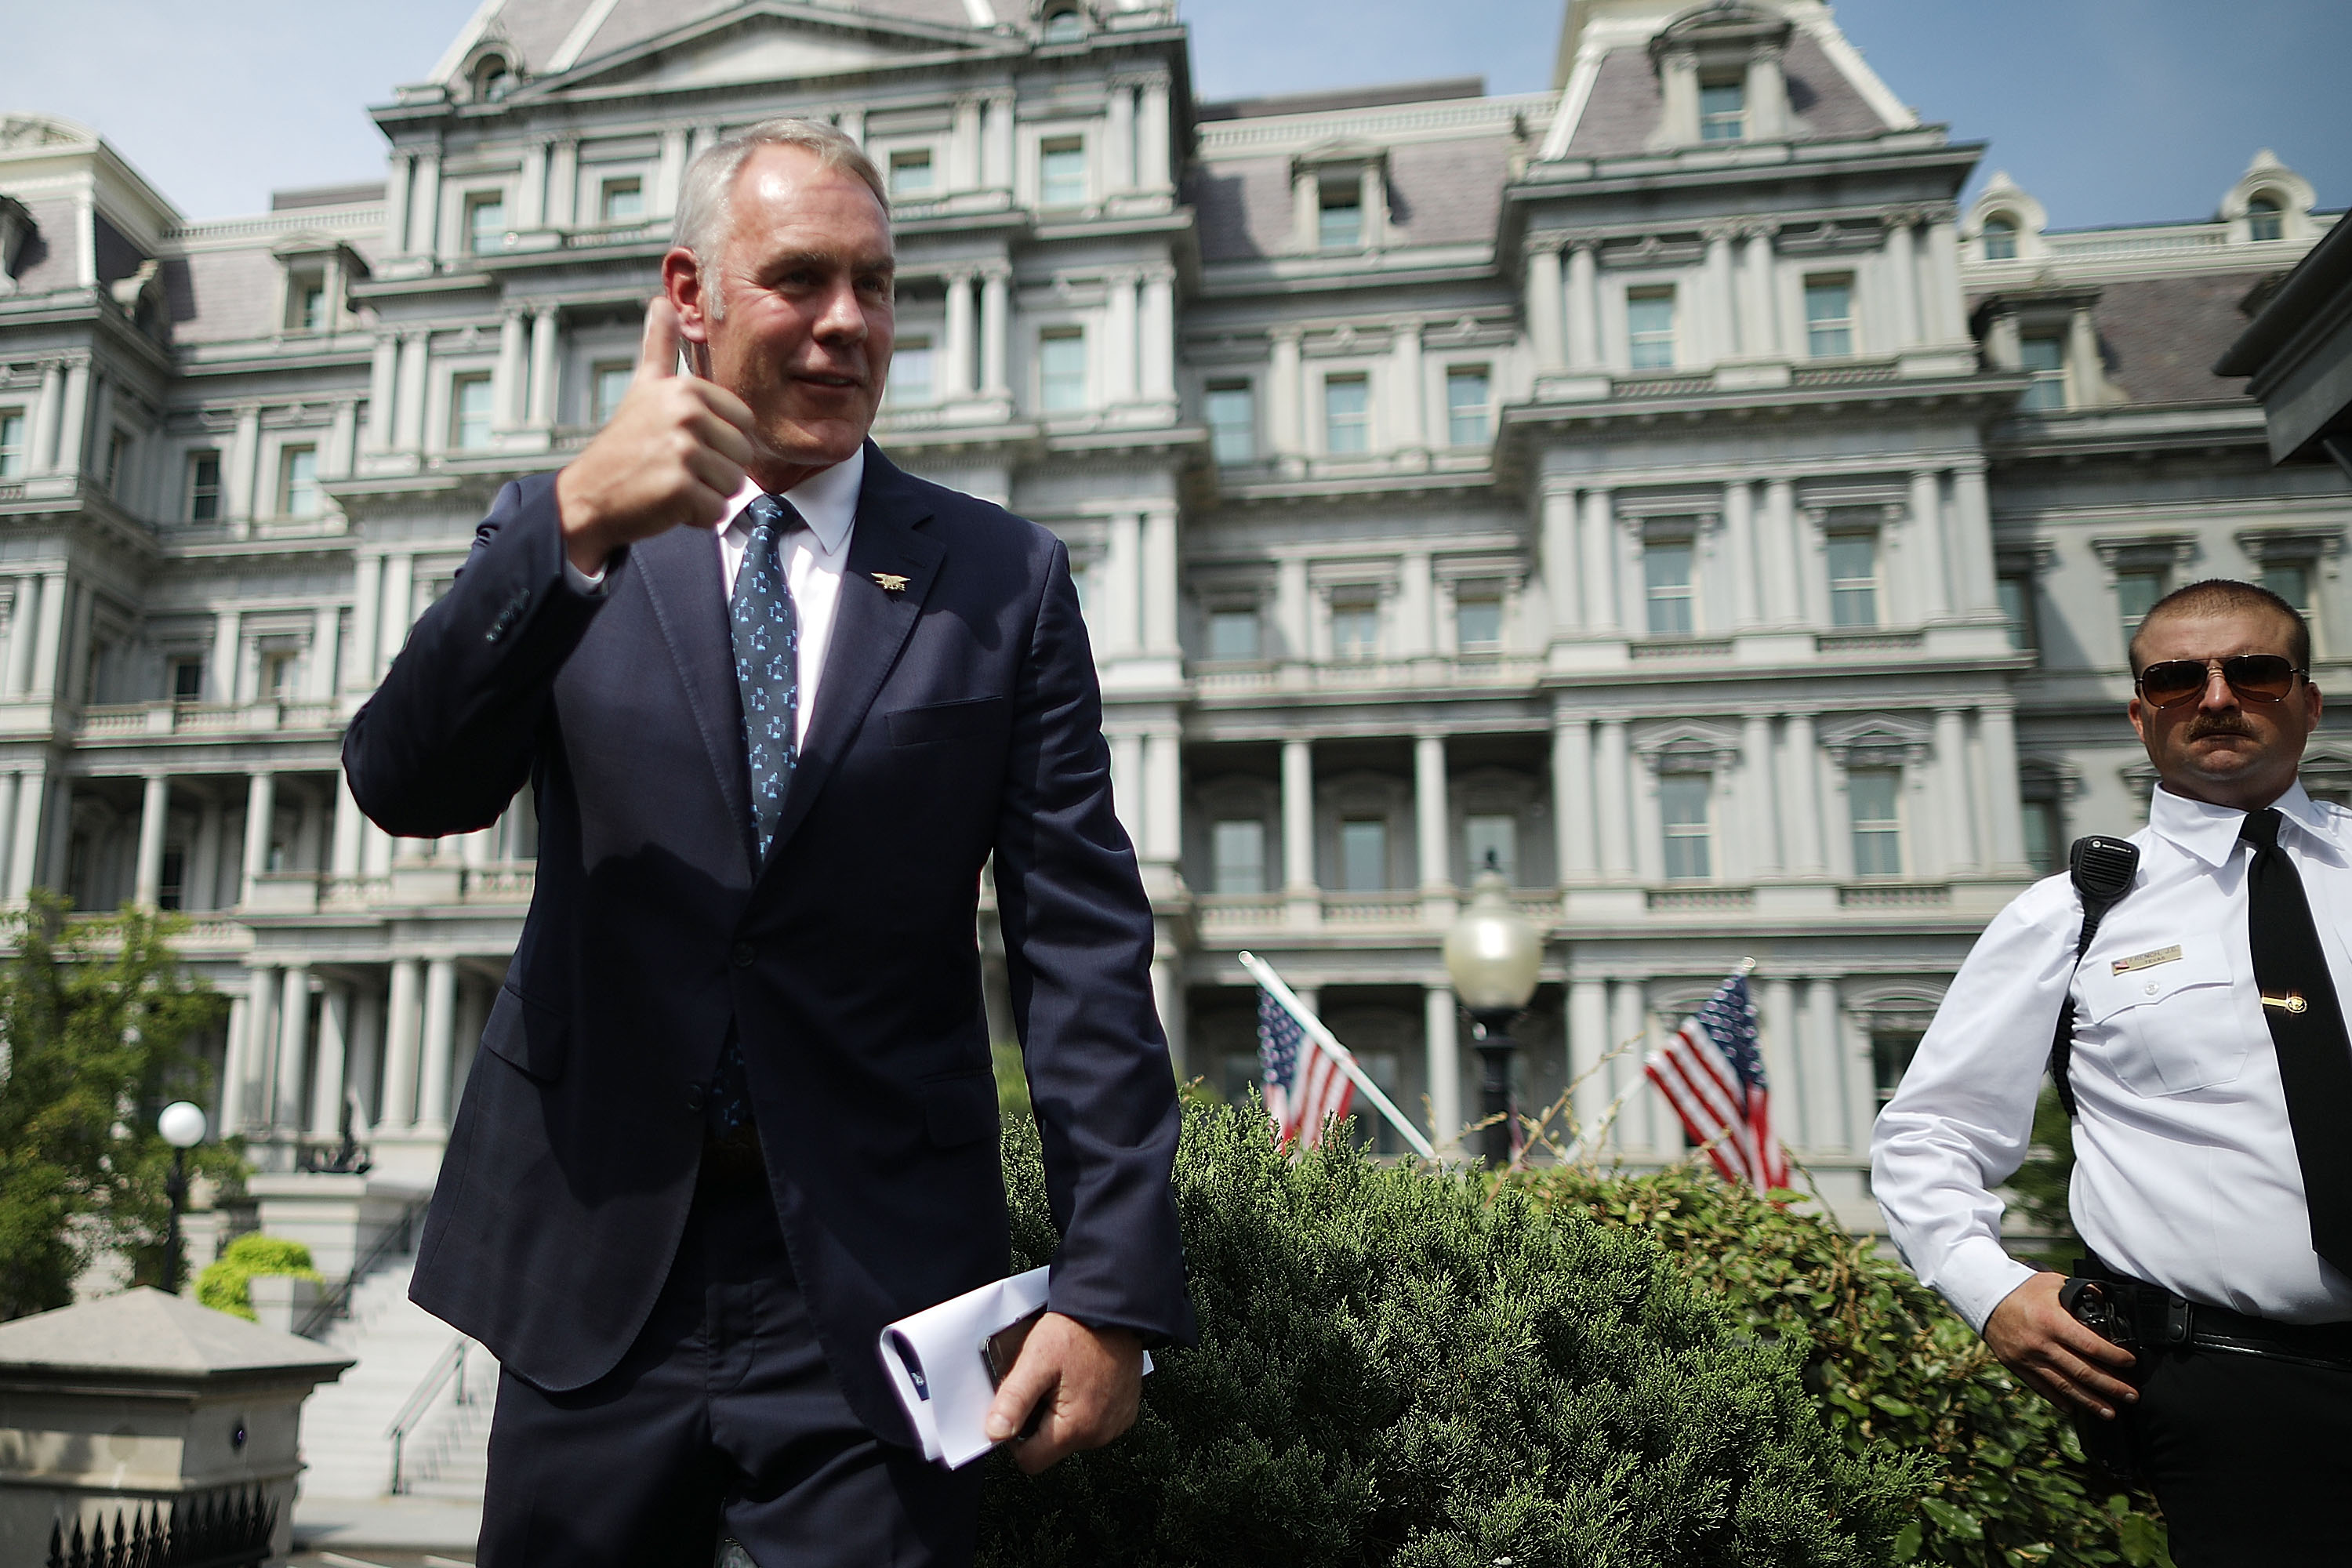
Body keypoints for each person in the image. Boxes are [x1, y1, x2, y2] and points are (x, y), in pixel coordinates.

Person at [343, 118, 1196, 1567]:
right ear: (694, 293)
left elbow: (1084, 951)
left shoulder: (1004, 578)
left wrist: (1111, 1284)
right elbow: (404, 781)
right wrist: (568, 529)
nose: (848, 325)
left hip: (872, 1295)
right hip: (592, 1272)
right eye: (801, 279)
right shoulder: (570, 537)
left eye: (876, 285)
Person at [1873, 578, 2352, 1565]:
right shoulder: (2071, 914)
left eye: (2253, 671)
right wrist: (1989, 1287)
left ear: (2308, 698)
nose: (2215, 697)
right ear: (2141, 714)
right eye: (2177, 680)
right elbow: (1931, 1131)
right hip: (2233, 1390)